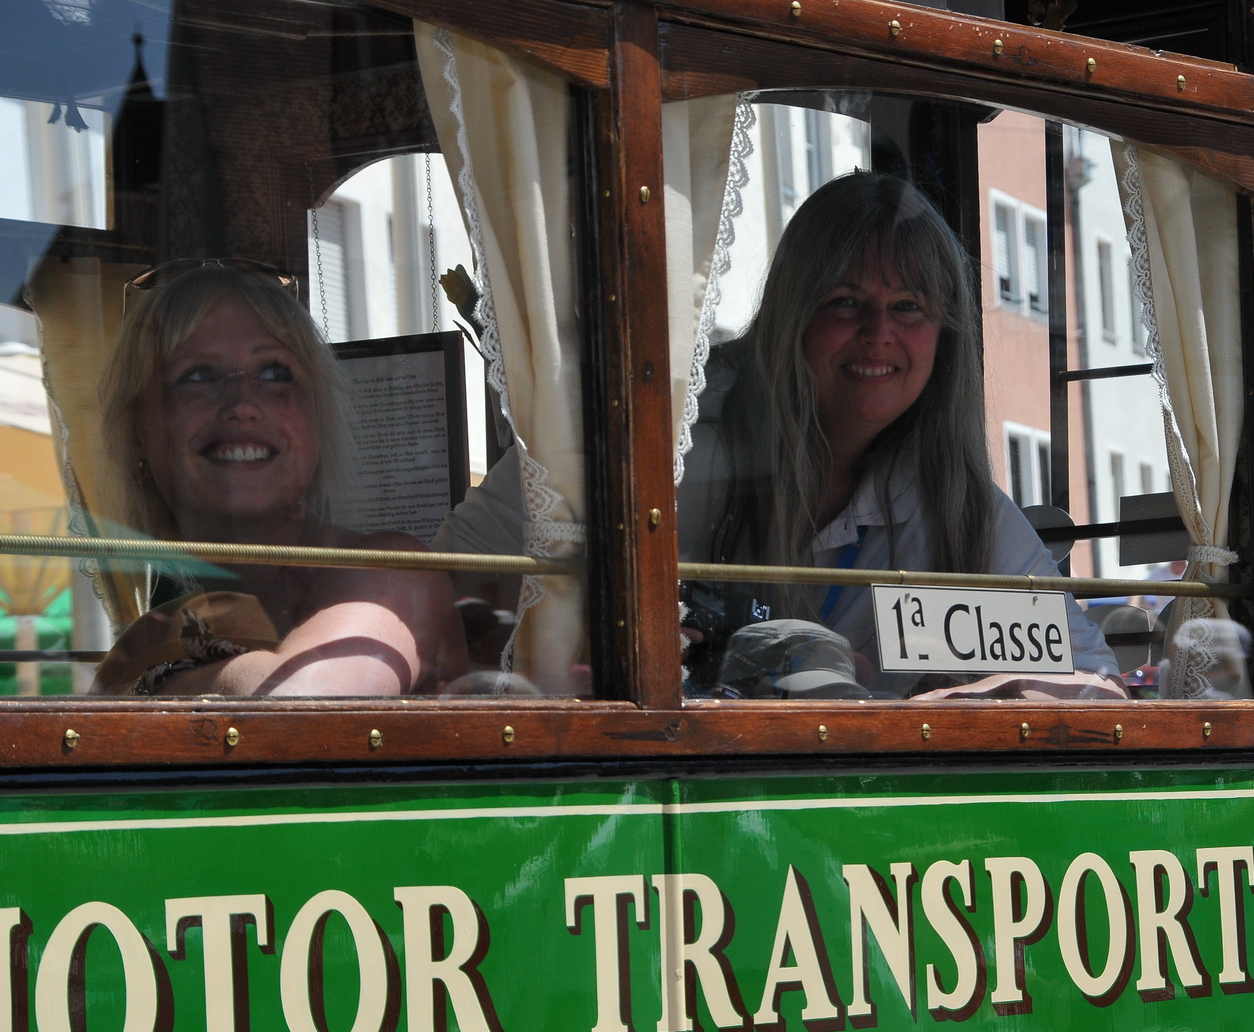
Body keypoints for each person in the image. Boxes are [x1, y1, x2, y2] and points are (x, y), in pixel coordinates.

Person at [439, 172, 1121, 698]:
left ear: (944, 335)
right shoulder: (661, 429)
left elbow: (1090, 683)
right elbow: (450, 585)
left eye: (909, 306)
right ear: (792, 312)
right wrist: (593, 646)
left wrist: (939, 708)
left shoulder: (955, 499)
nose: (878, 331)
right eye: (845, 301)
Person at [92, 262, 466, 696]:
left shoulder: (391, 568)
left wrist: (154, 667)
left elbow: (303, 703)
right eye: (198, 375)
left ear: (316, 418)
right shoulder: (171, 622)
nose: (243, 404)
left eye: (274, 373)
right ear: (138, 429)